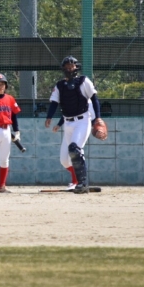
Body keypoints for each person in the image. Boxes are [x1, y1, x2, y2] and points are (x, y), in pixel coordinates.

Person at [44, 55, 102, 194]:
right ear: (63, 68)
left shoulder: (83, 81)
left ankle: (82, 183)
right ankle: (78, 181)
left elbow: (94, 99)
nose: (70, 68)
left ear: (77, 67)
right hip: (68, 123)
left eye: (72, 66)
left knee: (75, 149)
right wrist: (49, 117)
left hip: (82, 121)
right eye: (67, 66)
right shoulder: (60, 85)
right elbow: (54, 103)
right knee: (65, 160)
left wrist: (98, 118)